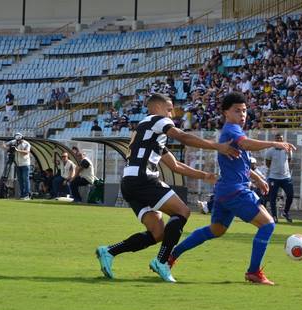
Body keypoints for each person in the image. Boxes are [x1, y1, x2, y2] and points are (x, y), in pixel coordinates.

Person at [95, 93, 239, 283]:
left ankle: (109, 251)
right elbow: (182, 137)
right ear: (156, 108)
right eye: (169, 109)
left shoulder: (149, 133)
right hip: (143, 178)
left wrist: (204, 175)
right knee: (183, 211)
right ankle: (162, 261)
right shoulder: (156, 120)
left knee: (158, 233)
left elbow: (175, 166)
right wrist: (217, 146)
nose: (171, 115)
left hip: (130, 182)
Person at [168, 92, 296, 285]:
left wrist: (258, 178)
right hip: (236, 190)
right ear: (226, 113)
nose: (242, 114)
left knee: (216, 230)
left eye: (244, 110)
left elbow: (240, 162)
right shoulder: (232, 131)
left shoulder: (232, 131)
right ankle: (253, 272)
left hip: (224, 191)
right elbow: (246, 144)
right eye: (237, 111)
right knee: (268, 224)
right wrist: (274, 142)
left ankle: (171, 256)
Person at [265, 133, 294, 223]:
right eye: (277, 139)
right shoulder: (270, 151)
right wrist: (275, 170)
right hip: (274, 177)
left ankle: (285, 212)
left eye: (280, 139)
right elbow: (268, 163)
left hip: (286, 177)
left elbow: (289, 160)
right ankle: (274, 216)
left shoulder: (287, 149)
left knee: (290, 195)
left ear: (283, 140)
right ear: (275, 140)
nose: (279, 140)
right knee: (272, 197)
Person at [3, 133, 31, 200]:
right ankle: (22, 194)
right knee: (20, 180)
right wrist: (9, 148)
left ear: (22, 138)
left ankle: (27, 195)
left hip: (25, 164)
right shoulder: (13, 142)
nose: (18, 141)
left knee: (25, 179)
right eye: (17, 140)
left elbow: (26, 152)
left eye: (19, 140)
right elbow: (3, 145)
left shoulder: (26, 144)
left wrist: (17, 150)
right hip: (17, 164)